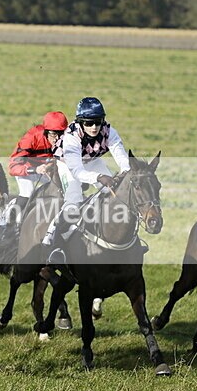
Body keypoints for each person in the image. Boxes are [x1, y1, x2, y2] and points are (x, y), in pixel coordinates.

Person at [43, 97, 131, 265]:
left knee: (115, 195)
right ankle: (55, 243)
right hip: (68, 165)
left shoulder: (109, 131)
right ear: (80, 122)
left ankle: (121, 240)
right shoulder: (71, 136)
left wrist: (124, 172)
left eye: (98, 122)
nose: (94, 127)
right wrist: (99, 177)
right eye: (89, 123)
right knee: (73, 203)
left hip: (93, 161)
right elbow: (77, 171)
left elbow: (122, 158)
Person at [2, 111, 68, 229]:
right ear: (46, 131)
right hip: (27, 168)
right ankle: (9, 225)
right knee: (28, 192)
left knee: (64, 192)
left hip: (48, 171)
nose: (57, 139)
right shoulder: (32, 137)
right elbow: (13, 167)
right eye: (53, 134)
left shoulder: (68, 138)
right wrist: (35, 169)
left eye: (61, 134)